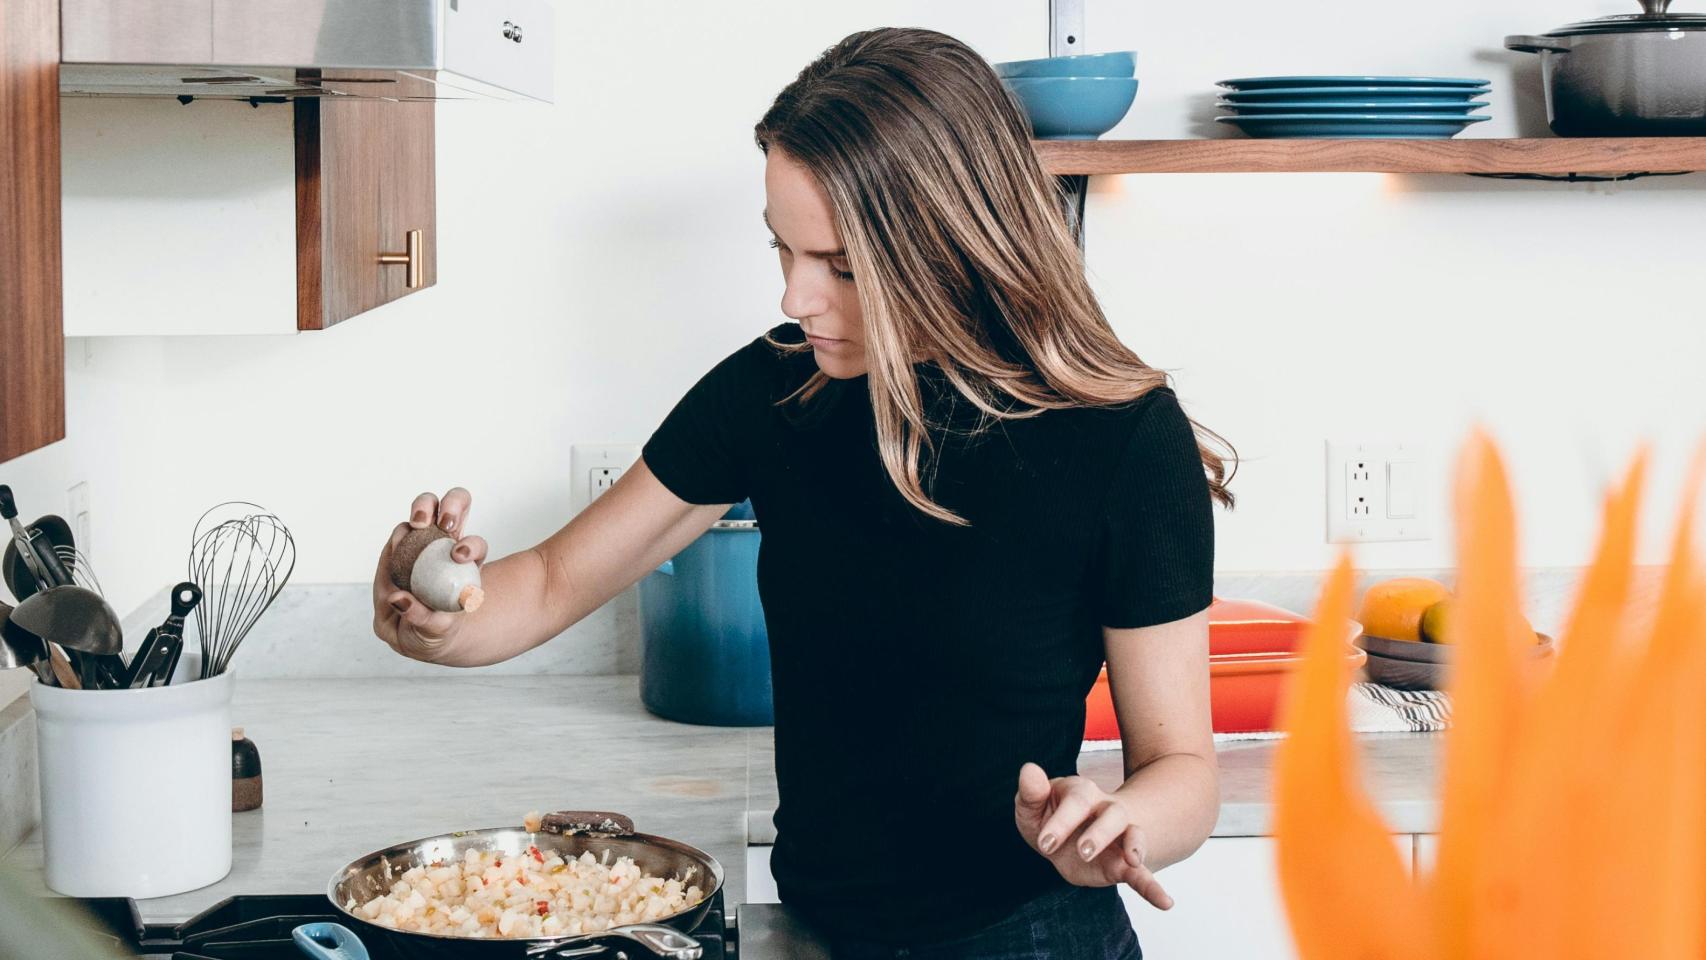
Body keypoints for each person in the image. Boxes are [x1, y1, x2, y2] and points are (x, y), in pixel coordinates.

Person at [373, 27, 1236, 959]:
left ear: (951, 244)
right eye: (783, 250)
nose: (795, 297)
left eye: (840, 266)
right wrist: (440, 618)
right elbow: (545, 582)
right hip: (817, 928)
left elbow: (1183, 770)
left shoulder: (1122, 439)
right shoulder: (777, 390)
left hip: (1027, 932)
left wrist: (1110, 820)